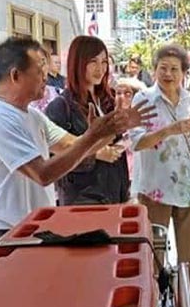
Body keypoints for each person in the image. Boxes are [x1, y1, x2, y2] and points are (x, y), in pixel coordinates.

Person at [0, 37, 155, 248]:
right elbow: (43, 173)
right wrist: (94, 136)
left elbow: (73, 146)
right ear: (15, 75)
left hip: (36, 228)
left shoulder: (33, 116)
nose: (46, 77)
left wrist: (112, 129)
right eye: (39, 71)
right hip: (6, 233)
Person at [129, 44, 190, 296]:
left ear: (184, 72)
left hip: (189, 189)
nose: (168, 74)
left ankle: (186, 300)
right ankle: (154, 299)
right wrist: (169, 130)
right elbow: (136, 142)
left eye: (175, 69)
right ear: (154, 70)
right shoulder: (142, 99)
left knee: (188, 255)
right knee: (154, 253)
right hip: (155, 189)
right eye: (163, 68)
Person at [45, 36, 128, 205]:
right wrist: (96, 154)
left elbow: (118, 142)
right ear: (78, 62)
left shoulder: (109, 100)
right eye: (93, 61)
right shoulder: (60, 107)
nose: (100, 68)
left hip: (115, 190)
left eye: (104, 62)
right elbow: (54, 162)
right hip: (82, 198)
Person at [113, 76, 147, 191]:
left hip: (137, 174)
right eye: (118, 93)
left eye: (127, 94)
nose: (121, 97)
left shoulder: (143, 118)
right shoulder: (109, 117)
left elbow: (134, 141)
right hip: (116, 175)